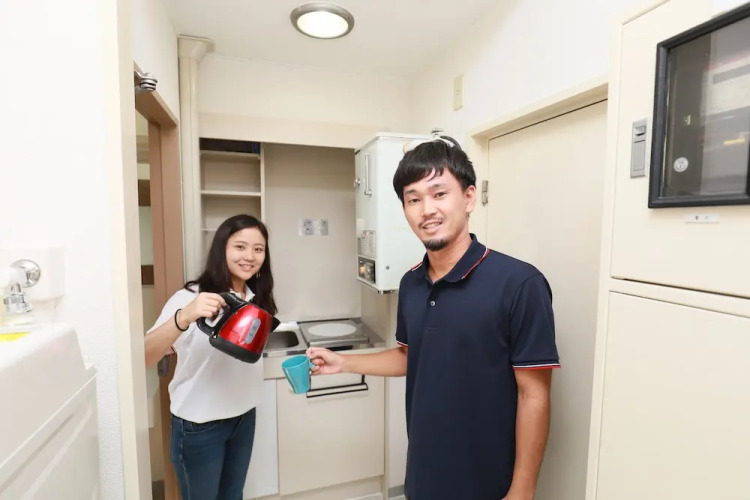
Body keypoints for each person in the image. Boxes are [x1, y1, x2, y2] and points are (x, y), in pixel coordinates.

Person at [307, 136, 560, 500]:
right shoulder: (411, 283)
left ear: (469, 198)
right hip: (423, 475)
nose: (427, 210)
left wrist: (522, 490)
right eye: (413, 199)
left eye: (439, 193)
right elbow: (410, 357)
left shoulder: (520, 284)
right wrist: (343, 362)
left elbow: (533, 394)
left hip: (488, 482)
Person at [144, 214, 277, 500]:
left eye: (258, 249)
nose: (250, 256)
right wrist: (184, 316)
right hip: (199, 424)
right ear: (222, 249)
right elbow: (144, 356)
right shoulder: (190, 297)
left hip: (243, 416)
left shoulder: (257, 297)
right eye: (240, 247)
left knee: (233, 495)